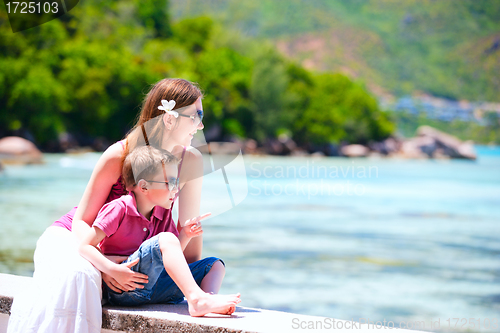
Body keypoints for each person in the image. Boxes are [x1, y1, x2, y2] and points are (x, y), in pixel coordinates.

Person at [7, 78, 239, 333]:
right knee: (82, 276)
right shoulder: (119, 154)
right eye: (196, 115)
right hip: (77, 238)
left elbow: (188, 244)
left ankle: (205, 301)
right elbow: (81, 222)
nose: (202, 124)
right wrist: (106, 267)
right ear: (170, 119)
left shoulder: (190, 160)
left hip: (126, 249)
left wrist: (184, 270)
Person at [79, 145, 240, 316]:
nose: (176, 189)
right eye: (170, 182)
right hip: (124, 287)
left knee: (214, 265)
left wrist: (185, 235)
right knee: (167, 239)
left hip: (155, 289)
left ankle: (208, 299)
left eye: (176, 182)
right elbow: (84, 246)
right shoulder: (119, 208)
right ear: (144, 187)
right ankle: (197, 300)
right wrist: (111, 269)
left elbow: (169, 258)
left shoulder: (162, 213)